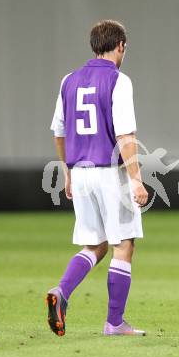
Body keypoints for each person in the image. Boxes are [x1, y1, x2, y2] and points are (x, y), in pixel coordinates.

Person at [47, 20, 148, 336]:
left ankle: (61, 292)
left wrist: (67, 172)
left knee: (96, 244)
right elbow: (125, 134)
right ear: (121, 46)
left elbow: (59, 132)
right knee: (124, 244)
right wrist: (136, 179)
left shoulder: (69, 80)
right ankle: (114, 323)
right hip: (109, 172)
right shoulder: (119, 81)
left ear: (94, 46)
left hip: (80, 173)